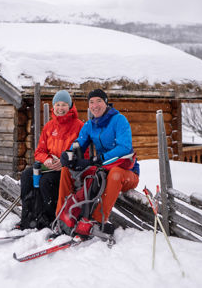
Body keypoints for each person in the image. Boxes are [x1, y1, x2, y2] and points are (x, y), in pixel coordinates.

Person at [56, 88, 140, 233]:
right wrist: (68, 154)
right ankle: (63, 217)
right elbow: (79, 143)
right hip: (102, 171)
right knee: (66, 170)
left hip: (127, 173)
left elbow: (125, 148)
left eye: (99, 101)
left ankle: (97, 221)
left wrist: (100, 159)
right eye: (91, 102)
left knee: (115, 173)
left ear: (106, 103)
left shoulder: (119, 120)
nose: (95, 105)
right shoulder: (90, 125)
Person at [17, 90, 85, 230]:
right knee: (26, 176)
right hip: (48, 165)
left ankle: (48, 219)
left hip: (66, 169)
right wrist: (46, 159)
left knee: (45, 182)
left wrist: (65, 162)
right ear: (53, 106)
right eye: (58, 104)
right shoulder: (49, 126)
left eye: (64, 104)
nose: (60, 108)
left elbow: (83, 152)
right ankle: (28, 219)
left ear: (70, 105)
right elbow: (39, 151)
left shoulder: (79, 126)